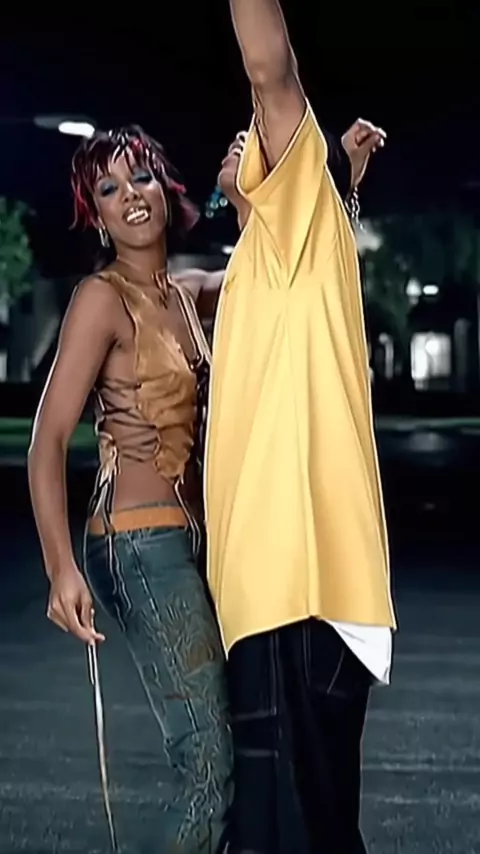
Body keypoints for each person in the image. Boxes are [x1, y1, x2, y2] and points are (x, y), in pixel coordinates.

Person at [205, 2, 397, 852]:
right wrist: (345, 177)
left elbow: (268, 67)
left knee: (290, 832)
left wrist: (326, 170)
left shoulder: (296, 225)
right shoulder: (277, 256)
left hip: (297, 591)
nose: (243, 144)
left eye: (253, 139)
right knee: (306, 825)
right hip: (286, 595)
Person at [28, 125, 231, 854]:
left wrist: (345, 181)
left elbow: (286, 266)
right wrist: (60, 569)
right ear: (98, 216)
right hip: (137, 544)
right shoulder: (100, 300)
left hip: (194, 540)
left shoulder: (191, 294)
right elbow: (47, 441)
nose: (130, 197)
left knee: (238, 752)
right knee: (210, 765)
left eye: (140, 178)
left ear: (166, 191)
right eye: (108, 189)